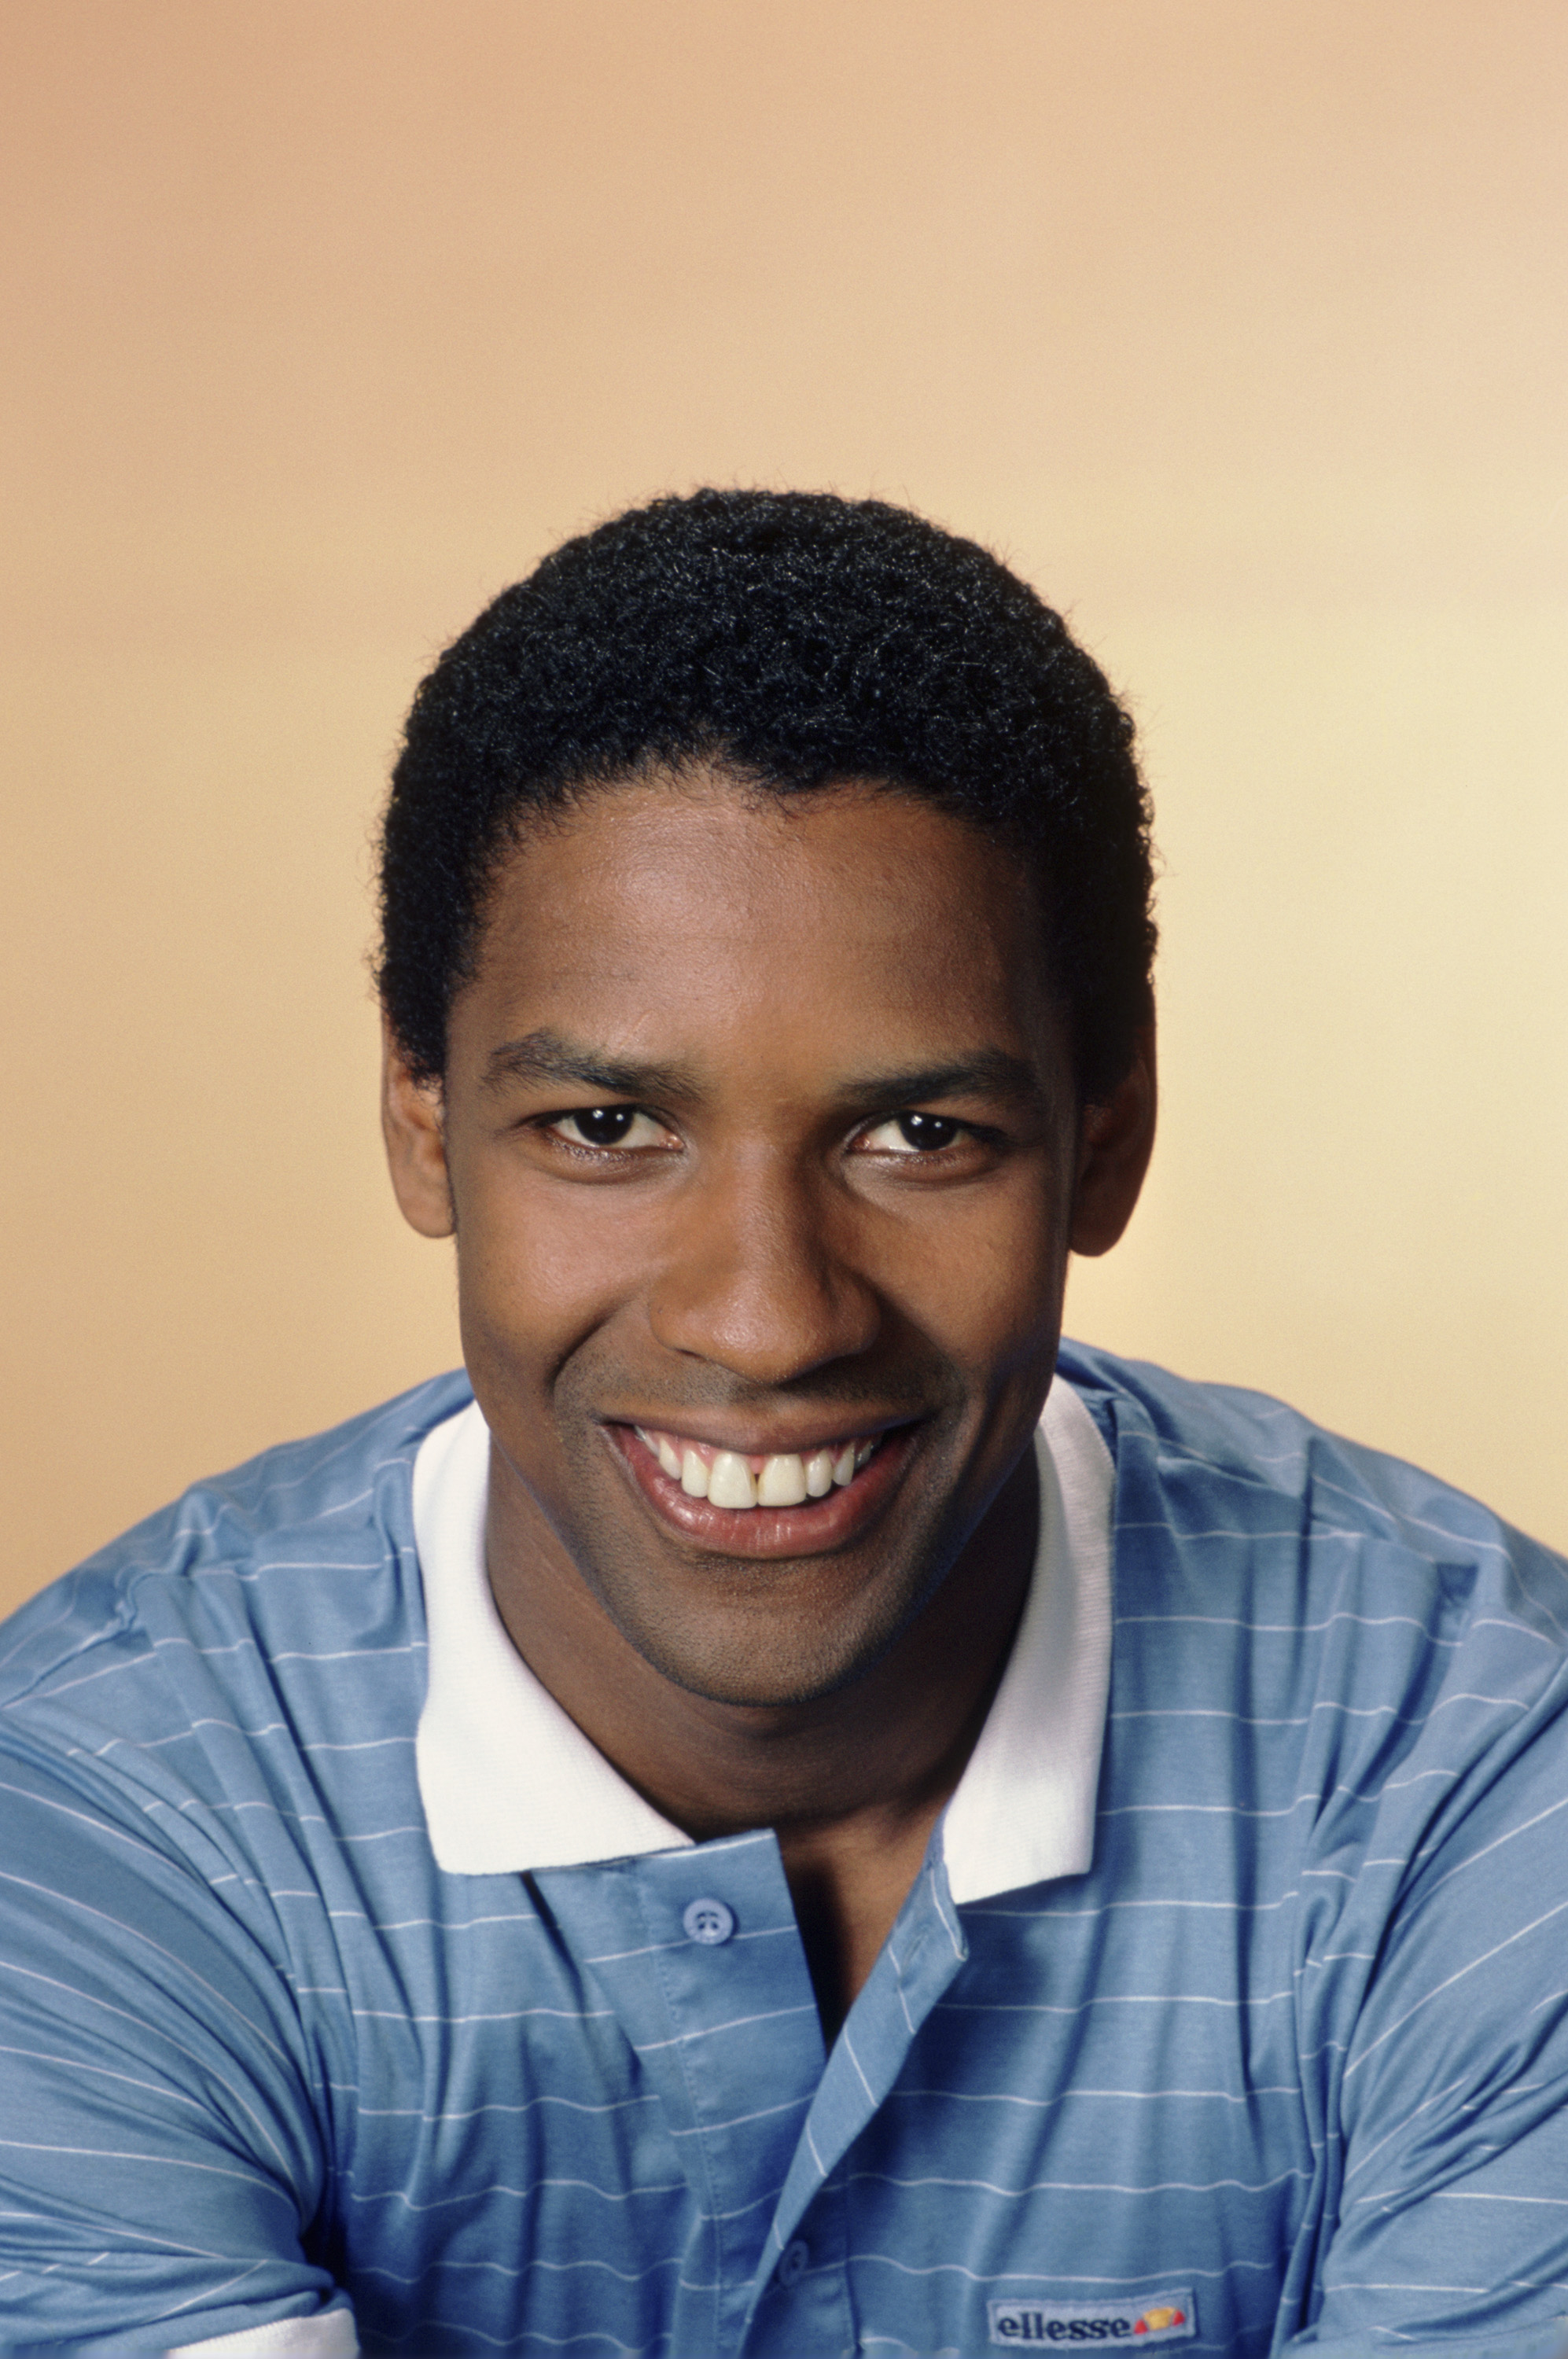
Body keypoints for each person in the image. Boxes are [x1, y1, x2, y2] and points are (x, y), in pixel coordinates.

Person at [2, 491, 1566, 2359]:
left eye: (918, 1135)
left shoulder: (1472, 1780)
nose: (765, 1319)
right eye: (605, 1129)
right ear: (423, 1123)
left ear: (1106, 1138)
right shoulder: (104, 1819)